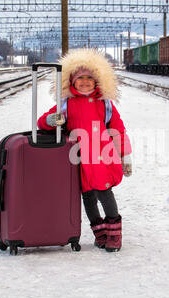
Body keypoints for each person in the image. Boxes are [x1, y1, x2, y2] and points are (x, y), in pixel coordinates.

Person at [37, 49, 132, 252]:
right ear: (72, 80)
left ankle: (115, 233)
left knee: (104, 191)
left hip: (101, 156)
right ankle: (101, 232)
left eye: (90, 78)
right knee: (87, 196)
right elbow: (42, 122)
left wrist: (125, 154)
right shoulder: (66, 105)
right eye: (81, 78)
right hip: (78, 157)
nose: (85, 82)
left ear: (97, 81)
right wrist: (50, 120)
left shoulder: (104, 103)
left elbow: (117, 129)